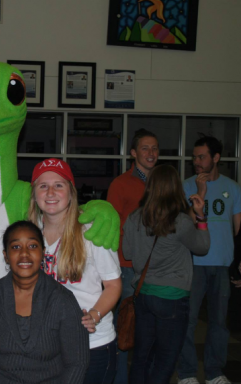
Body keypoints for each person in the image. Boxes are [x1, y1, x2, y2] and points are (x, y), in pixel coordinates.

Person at [30, 158, 122, 384]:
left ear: (70, 192)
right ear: (34, 195)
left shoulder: (91, 232)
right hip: (47, 345)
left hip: (92, 343)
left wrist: (95, 315)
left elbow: (113, 285)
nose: (50, 192)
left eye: (59, 185)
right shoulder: (29, 234)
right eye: (43, 186)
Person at [0, 220, 89, 383]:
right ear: (6, 255)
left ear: (43, 252)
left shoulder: (62, 300)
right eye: (16, 247)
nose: (24, 254)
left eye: (32, 246)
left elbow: (77, 363)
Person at [122, 165, 210, 384]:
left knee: (142, 357)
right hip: (172, 298)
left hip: (143, 296)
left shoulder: (134, 217)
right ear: (175, 188)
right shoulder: (180, 221)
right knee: (165, 359)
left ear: (150, 187)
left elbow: (127, 252)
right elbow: (202, 247)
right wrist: (200, 217)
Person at [177, 137, 241, 384]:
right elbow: (187, 227)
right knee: (189, 320)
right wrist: (200, 194)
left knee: (218, 322)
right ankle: (187, 373)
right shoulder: (185, 187)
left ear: (216, 158)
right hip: (193, 264)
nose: (197, 162)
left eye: (202, 157)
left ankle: (215, 372)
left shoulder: (233, 187)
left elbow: (238, 230)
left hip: (222, 264)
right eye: (194, 157)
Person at [107, 128, 159, 384]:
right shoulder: (121, 184)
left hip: (157, 270)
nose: (151, 153)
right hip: (128, 269)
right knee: (124, 331)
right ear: (134, 153)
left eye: (155, 149)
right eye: (145, 149)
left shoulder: (162, 184)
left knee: (149, 333)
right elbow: (112, 228)